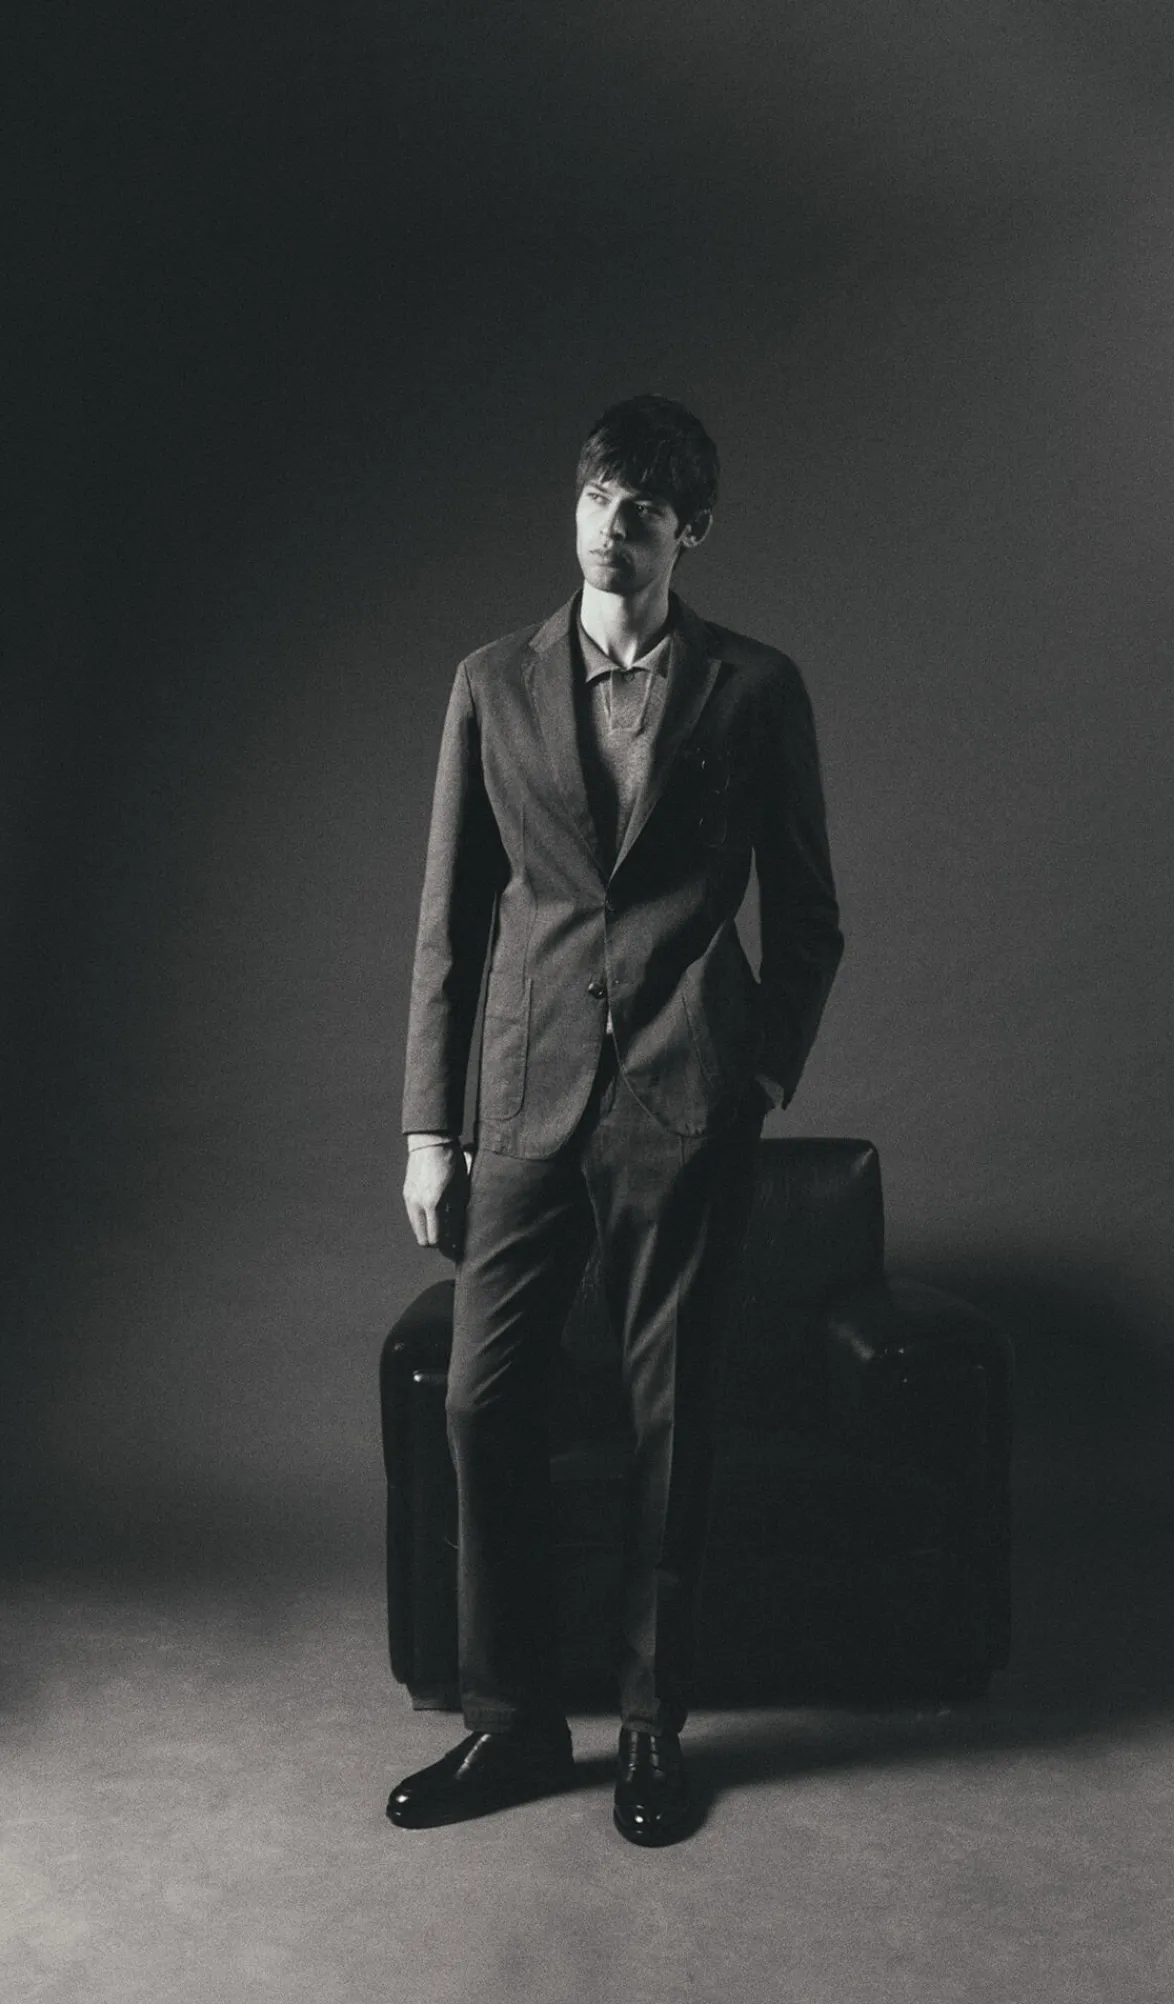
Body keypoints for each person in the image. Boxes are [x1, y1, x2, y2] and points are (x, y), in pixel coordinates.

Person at [388, 395, 842, 1845]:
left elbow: (810, 916)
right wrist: (429, 1128)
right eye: (595, 496)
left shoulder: (755, 688)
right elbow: (452, 923)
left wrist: (754, 1072)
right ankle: (511, 1723)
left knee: (671, 1415)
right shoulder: (491, 681)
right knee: (482, 1400)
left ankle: (652, 1729)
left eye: (642, 508)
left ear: (687, 531)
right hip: (524, 1098)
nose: (609, 526)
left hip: (683, 1097)